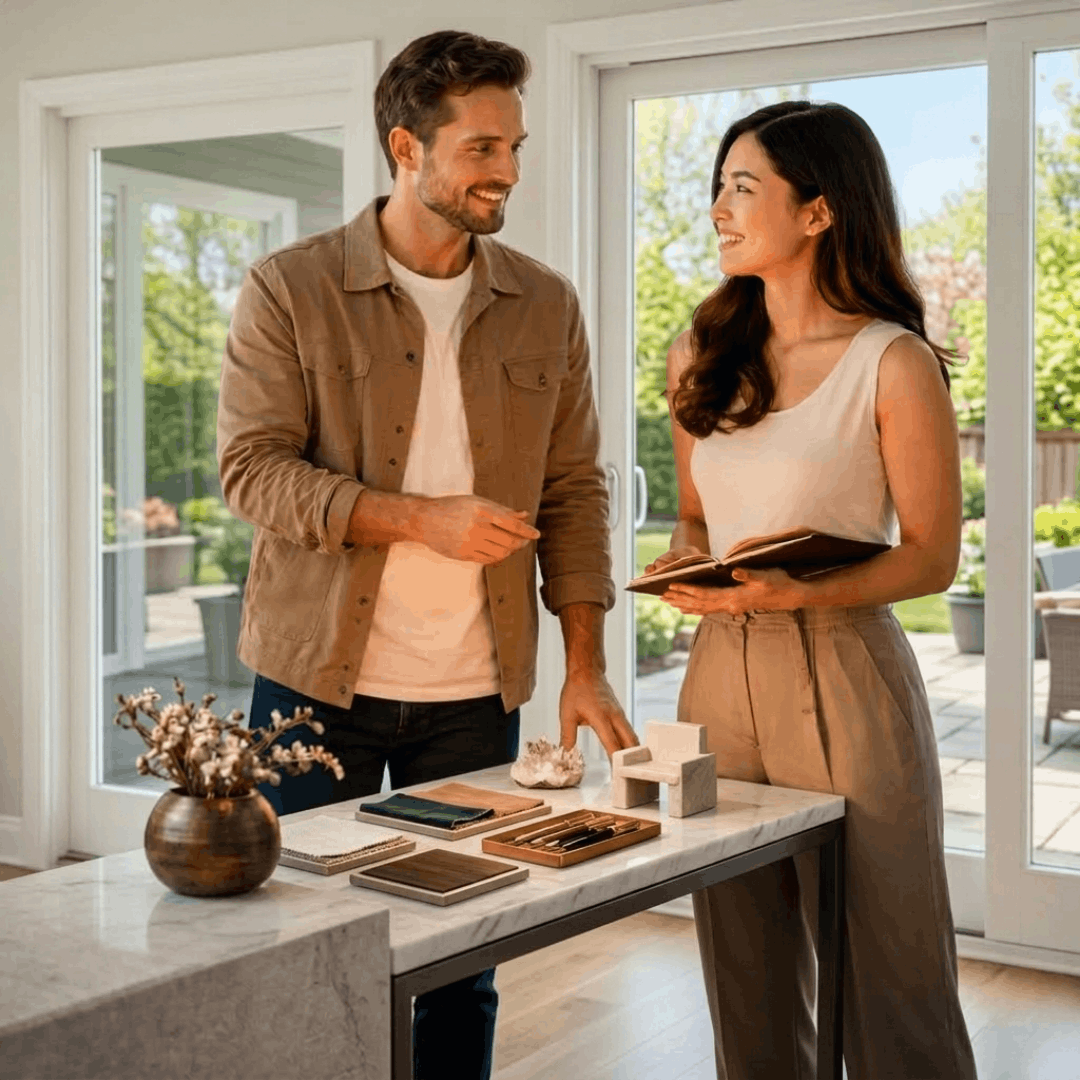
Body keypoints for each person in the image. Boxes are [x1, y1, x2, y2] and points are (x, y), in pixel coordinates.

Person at [216, 29, 636, 1080]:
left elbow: (574, 490)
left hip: (474, 695)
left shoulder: (545, 303)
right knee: (307, 947)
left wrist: (582, 662)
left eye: (516, 146)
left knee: (465, 957)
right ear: (408, 147)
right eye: (483, 147)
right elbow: (251, 473)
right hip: (312, 687)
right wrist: (419, 518)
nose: (508, 172)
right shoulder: (292, 290)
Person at [648, 101, 979, 1079]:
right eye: (716, 186)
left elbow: (930, 558)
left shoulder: (892, 360)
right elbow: (698, 522)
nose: (718, 207)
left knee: (890, 974)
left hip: (844, 671)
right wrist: (681, 562)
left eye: (742, 187)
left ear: (820, 210)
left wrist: (791, 597)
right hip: (717, 683)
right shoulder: (698, 359)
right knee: (742, 973)